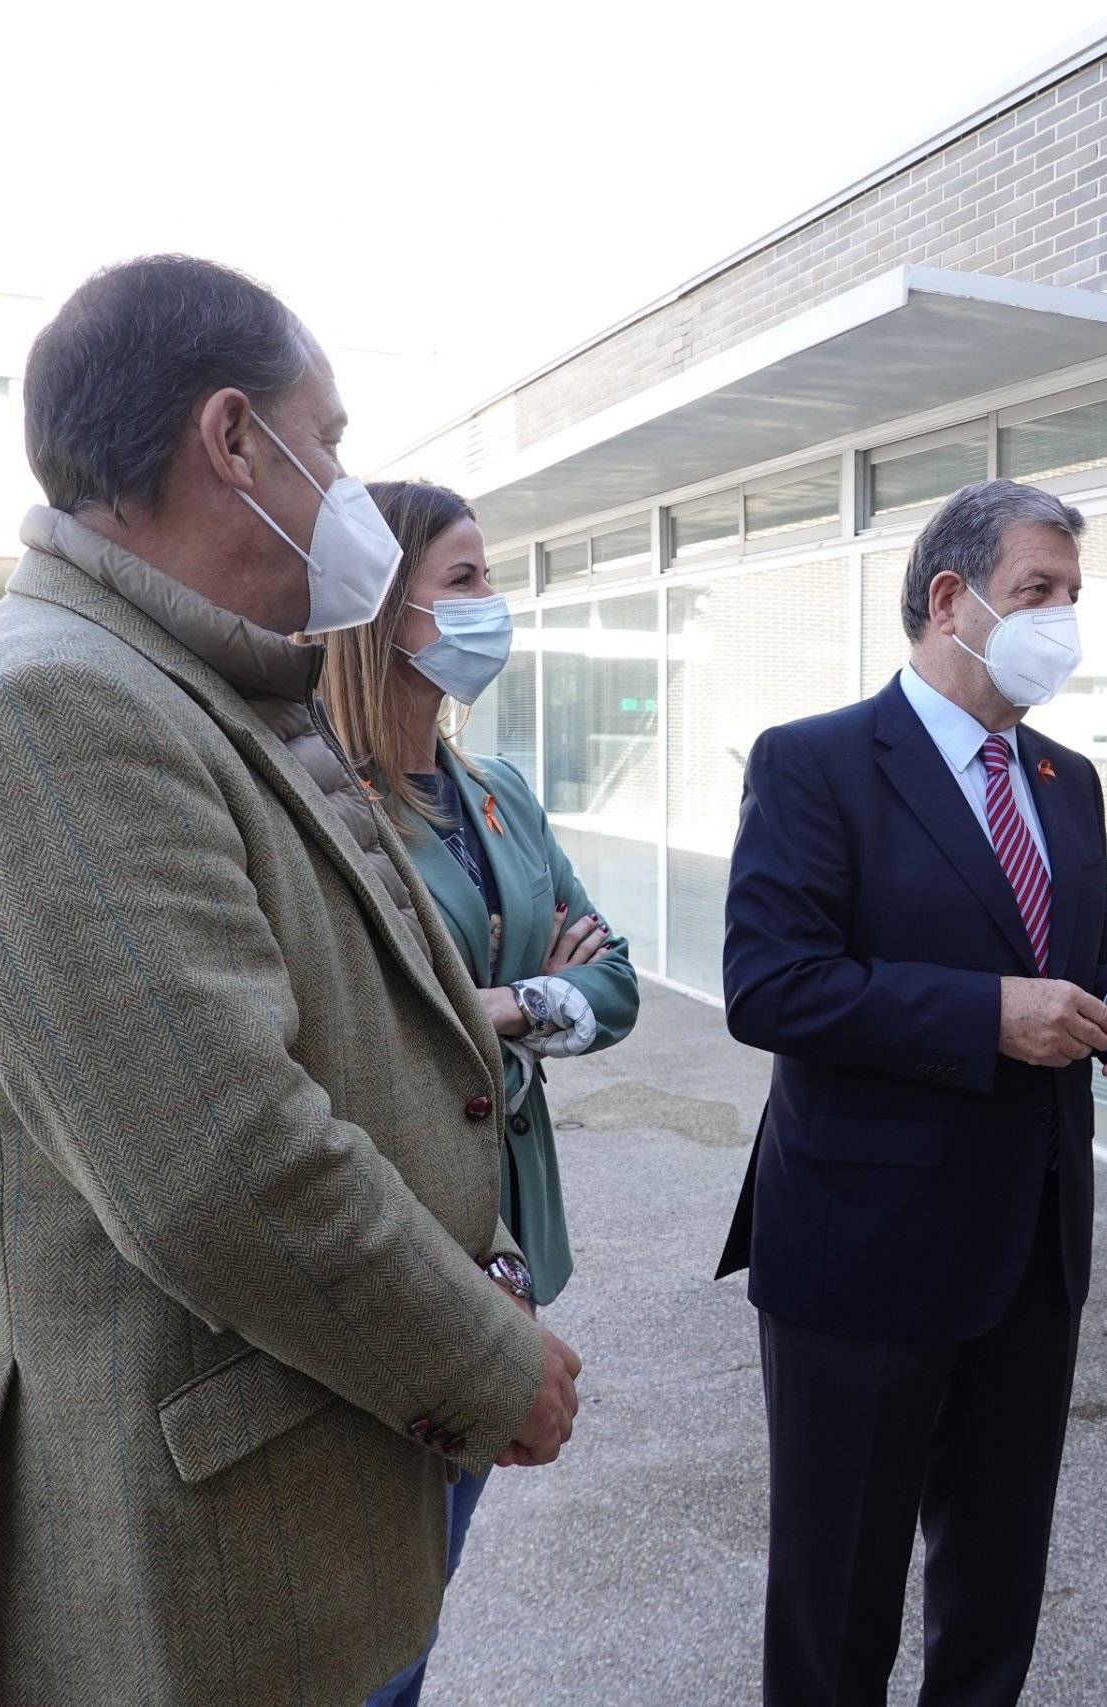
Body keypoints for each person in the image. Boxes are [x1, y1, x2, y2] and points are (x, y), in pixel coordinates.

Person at [0, 255, 582, 1707]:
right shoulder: (55, 706)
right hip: (211, 1561)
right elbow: (222, 1163)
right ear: (233, 440)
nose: (342, 482)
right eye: (329, 439)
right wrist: (485, 1356)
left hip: (308, 1477)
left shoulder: (195, 682)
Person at [716, 478, 1107, 1707]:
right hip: (864, 1253)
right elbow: (772, 988)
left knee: (994, 1584)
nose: (1062, 621)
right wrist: (989, 1015)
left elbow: (1065, 975)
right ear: (948, 600)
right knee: (838, 1595)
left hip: (1029, 1248)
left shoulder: (1067, 779)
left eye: (1074, 596)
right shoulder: (815, 763)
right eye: (1039, 592)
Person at [318, 478, 642, 1706]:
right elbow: (362, 1027)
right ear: (379, 608)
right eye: (464, 580)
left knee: (426, 1587)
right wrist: (509, 1000)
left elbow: (609, 981)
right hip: (408, 1239)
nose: (492, 607)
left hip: (514, 1242)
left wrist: (509, 1005)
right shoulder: (324, 804)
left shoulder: (496, 786)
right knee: (375, 1616)